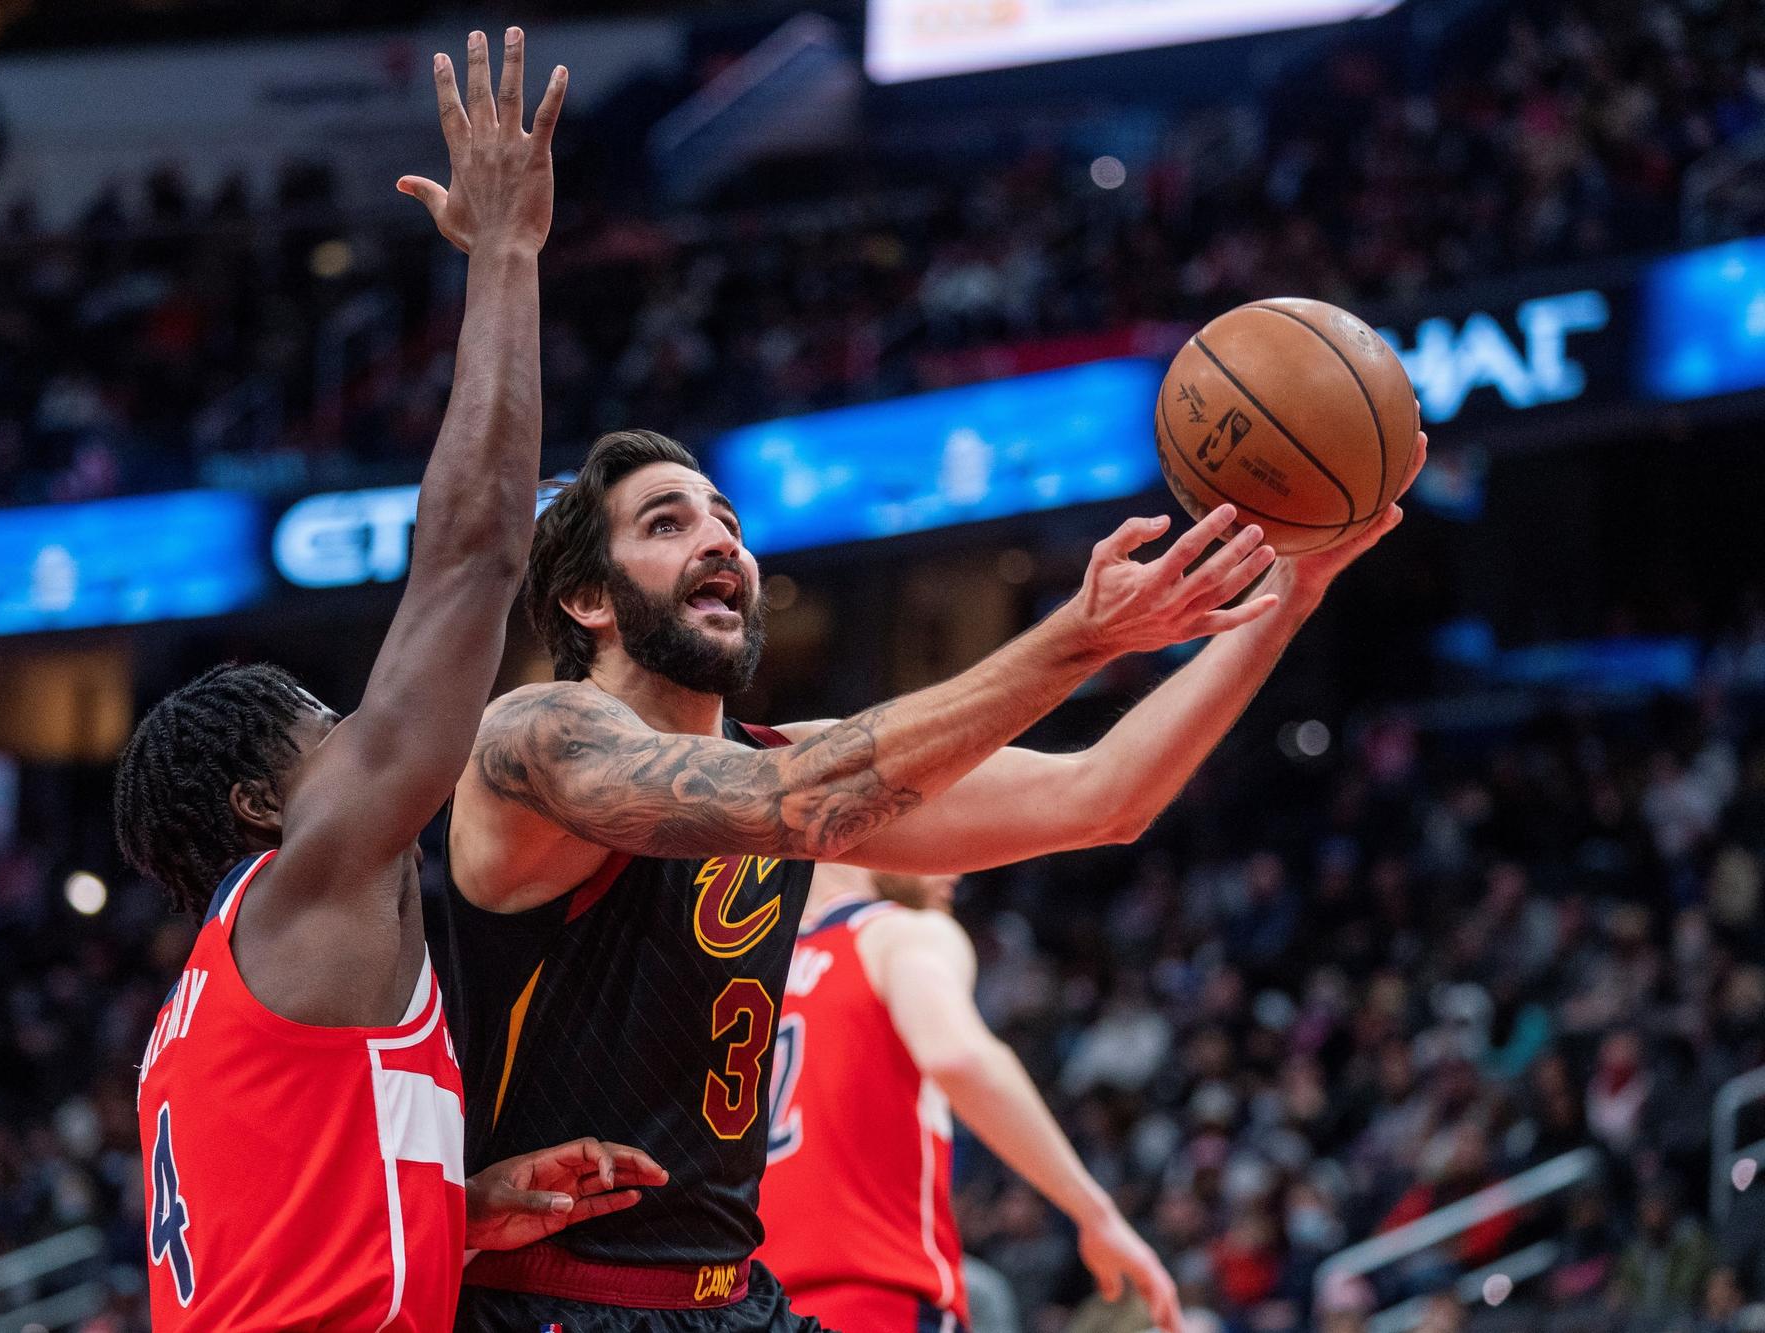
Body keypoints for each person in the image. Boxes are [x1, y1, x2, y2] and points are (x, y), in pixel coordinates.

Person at [442, 423, 1424, 1330]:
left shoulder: (787, 756)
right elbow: (773, 802)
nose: (718, 542)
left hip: (736, 1295)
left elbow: (1102, 796)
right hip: (558, 1301)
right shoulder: (536, 735)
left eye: (728, 523)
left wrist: (1287, 599)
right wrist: (1078, 636)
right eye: (666, 522)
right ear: (587, 598)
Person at [113, 33, 662, 1330]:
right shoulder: (315, 871)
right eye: (327, 726)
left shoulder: (208, 1014)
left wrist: (450, 1209)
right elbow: (475, 551)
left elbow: (280, 1239)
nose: (367, 731)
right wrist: (509, 257)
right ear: (261, 801)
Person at [755, 863, 1184, 1333]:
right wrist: (1094, 1212)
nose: (960, 865)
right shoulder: (900, 932)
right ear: (874, 825)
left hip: (753, 1310)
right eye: (940, 829)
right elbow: (958, 1056)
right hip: (878, 1300)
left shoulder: (749, 975)